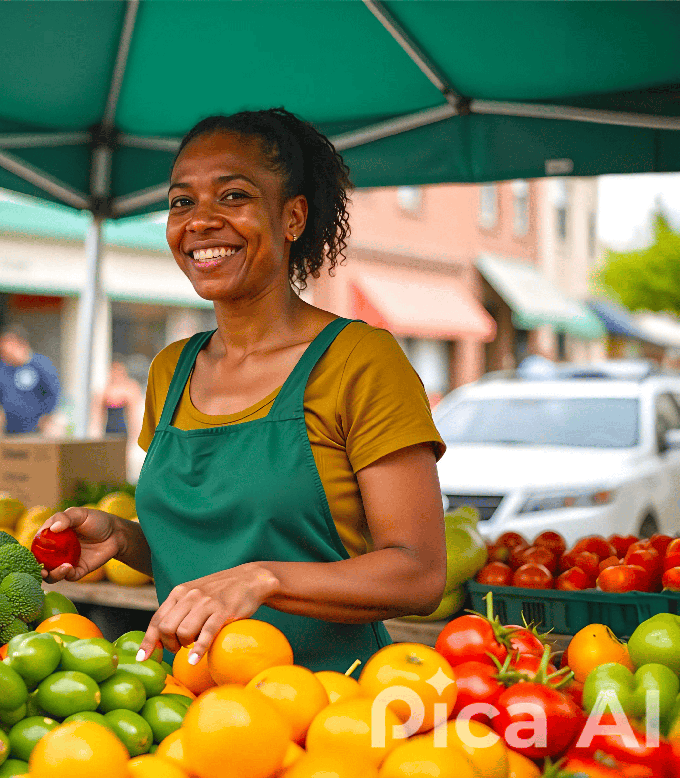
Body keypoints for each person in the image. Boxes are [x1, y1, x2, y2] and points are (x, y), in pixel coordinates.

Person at [41, 108, 447, 673]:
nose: (200, 220)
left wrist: (266, 578)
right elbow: (210, 550)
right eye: (182, 201)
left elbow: (420, 575)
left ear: (293, 217)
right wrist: (124, 537)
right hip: (190, 701)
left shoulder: (360, 361)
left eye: (233, 196)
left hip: (330, 703)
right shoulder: (171, 370)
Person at [0, 324, 60, 436]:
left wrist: (47, 417)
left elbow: (54, 392)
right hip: (9, 431)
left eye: (7, 347)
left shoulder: (40, 364)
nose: (3, 352)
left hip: (37, 431)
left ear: (21, 344)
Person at [89, 358, 144, 443]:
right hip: (108, 429)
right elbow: (98, 413)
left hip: (123, 429)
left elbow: (133, 414)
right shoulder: (105, 390)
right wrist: (96, 431)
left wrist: (135, 432)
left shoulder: (130, 389)